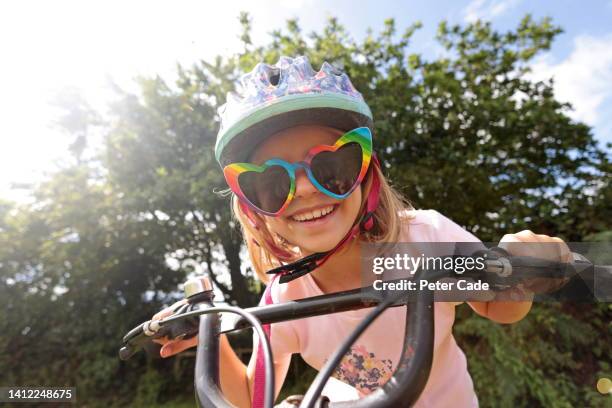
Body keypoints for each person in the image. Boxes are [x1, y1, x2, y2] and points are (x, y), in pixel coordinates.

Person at [152, 56, 571, 407]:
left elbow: (499, 308)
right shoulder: (284, 297)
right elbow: (249, 397)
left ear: (366, 175)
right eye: (271, 184)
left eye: (331, 167)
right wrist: (209, 333)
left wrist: (522, 267)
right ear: (254, 210)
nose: (302, 190)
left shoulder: (423, 240)